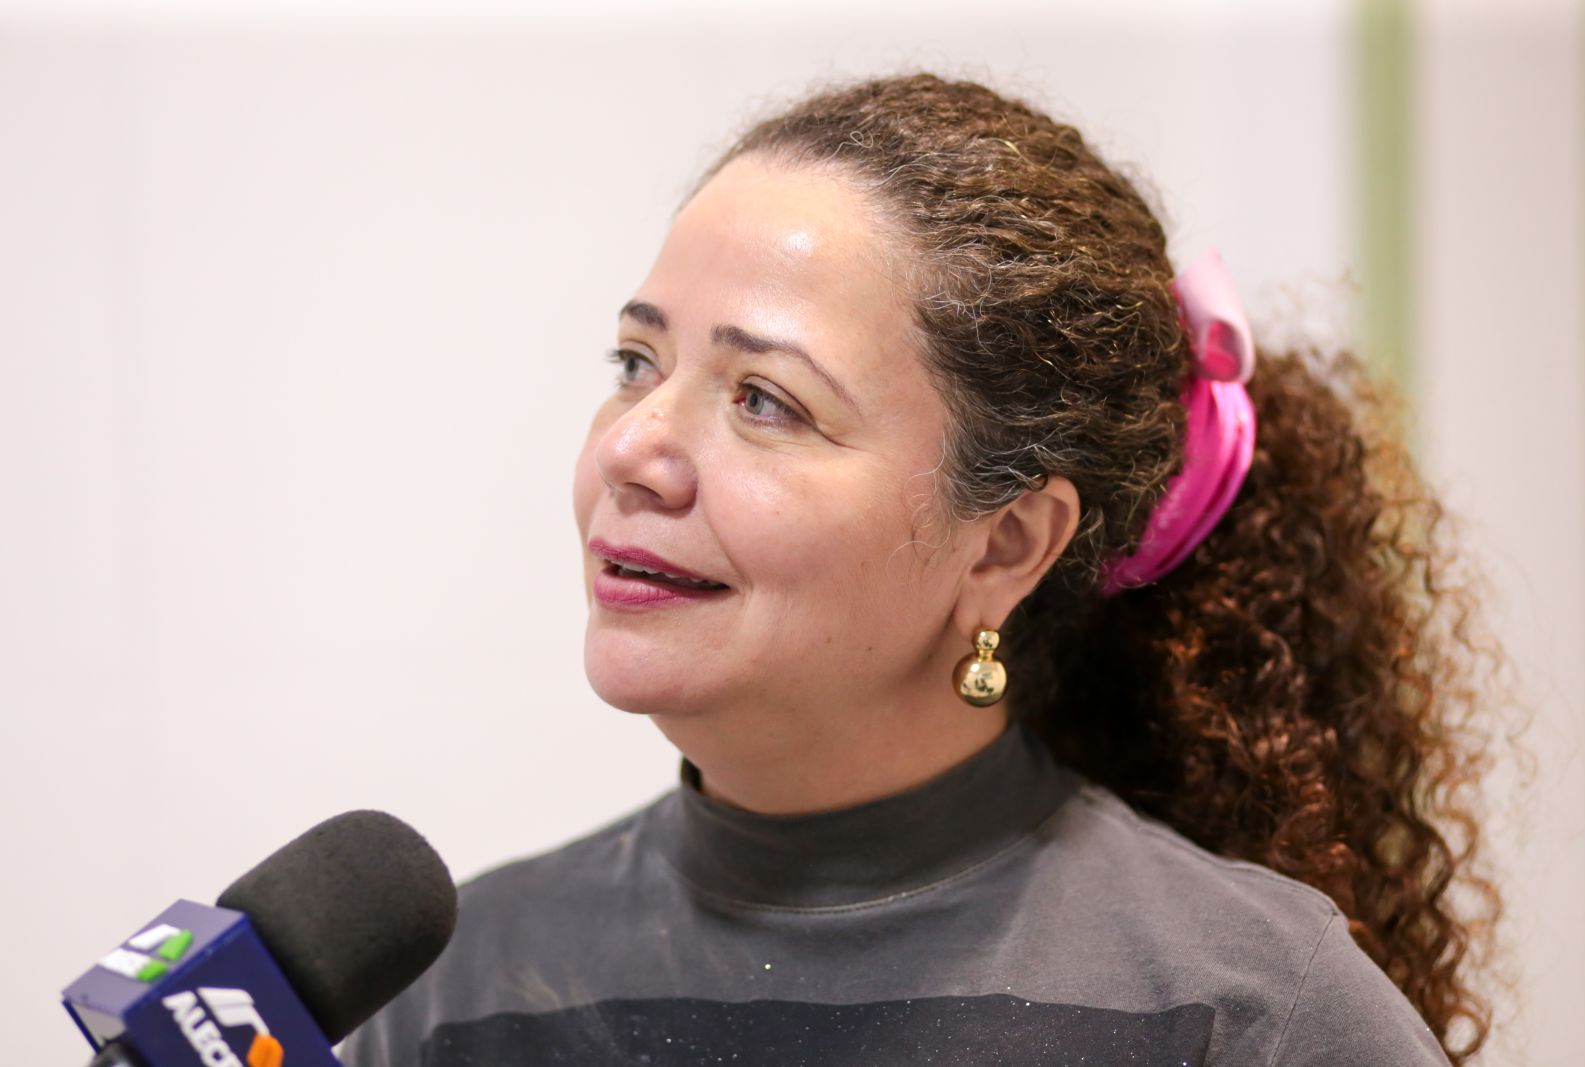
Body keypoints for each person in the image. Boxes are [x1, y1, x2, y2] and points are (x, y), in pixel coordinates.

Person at [339, 73, 1502, 1066]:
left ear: (1005, 544)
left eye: (764, 399)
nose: (630, 448)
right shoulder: (452, 993)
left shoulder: (1249, 1012)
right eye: (636, 361)